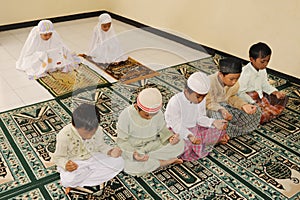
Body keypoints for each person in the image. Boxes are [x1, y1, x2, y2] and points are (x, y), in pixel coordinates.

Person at [52, 103, 124, 193]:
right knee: (68, 180)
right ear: (75, 127)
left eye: (93, 132)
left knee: (120, 161)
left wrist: (110, 151)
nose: (90, 136)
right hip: (76, 163)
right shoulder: (64, 135)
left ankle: (83, 180)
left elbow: (101, 146)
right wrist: (66, 164)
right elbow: (58, 157)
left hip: (93, 157)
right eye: (87, 133)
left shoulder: (98, 130)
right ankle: (82, 180)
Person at [117, 88, 184, 176]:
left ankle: (153, 162)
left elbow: (162, 129)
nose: (150, 118)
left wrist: (170, 138)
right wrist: (134, 154)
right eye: (147, 115)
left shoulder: (158, 113)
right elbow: (122, 141)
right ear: (137, 107)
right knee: (129, 167)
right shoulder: (125, 116)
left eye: (153, 114)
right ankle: (164, 162)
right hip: (135, 150)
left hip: (154, 145)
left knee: (180, 143)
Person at [164, 72, 229, 161]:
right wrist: (189, 135)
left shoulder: (201, 99)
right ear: (186, 91)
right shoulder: (175, 101)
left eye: (203, 97)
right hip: (177, 132)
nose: (200, 100)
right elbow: (175, 124)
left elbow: (200, 118)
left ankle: (212, 140)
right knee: (183, 145)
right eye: (198, 97)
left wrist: (213, 122)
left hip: (195, 129)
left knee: (219, 128)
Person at [206, 57, 262, 138]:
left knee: (256, 111)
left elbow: (231, 97)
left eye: (237, 78)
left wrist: (243, 105)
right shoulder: (209, 83)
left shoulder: (234, 84)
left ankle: (228, 133)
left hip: (226, 107)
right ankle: (222, 134)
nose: (234, 82)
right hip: (212, 110)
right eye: (231, 79)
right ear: (221, 75)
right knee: (218, 118)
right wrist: (222, 110)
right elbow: (208, 103)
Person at [238, 42, 288, 124]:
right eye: (262, 61)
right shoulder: (245, 73)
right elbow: (240, 93)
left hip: (261, 97)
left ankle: (267, 112)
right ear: (252, 59)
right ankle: (266, 113)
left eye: (267, 61)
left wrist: (275, 92)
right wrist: (253, 102)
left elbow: (265, 84)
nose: (265, 64)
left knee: (283, 98)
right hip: (250, 99)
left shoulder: (262, 70)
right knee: (257, 111)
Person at [16, 20, 80, 79]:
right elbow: (30, 53)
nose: (48, 37)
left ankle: (53, 65)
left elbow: (60, 46)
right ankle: (46, 66)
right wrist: (43, 54)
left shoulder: (54, 36)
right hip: (40, 58)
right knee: (41, 56)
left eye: (50, 34)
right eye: (45, 35)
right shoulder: (35, 38)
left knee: (61, 52)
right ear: (40, 33)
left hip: (50, 58)